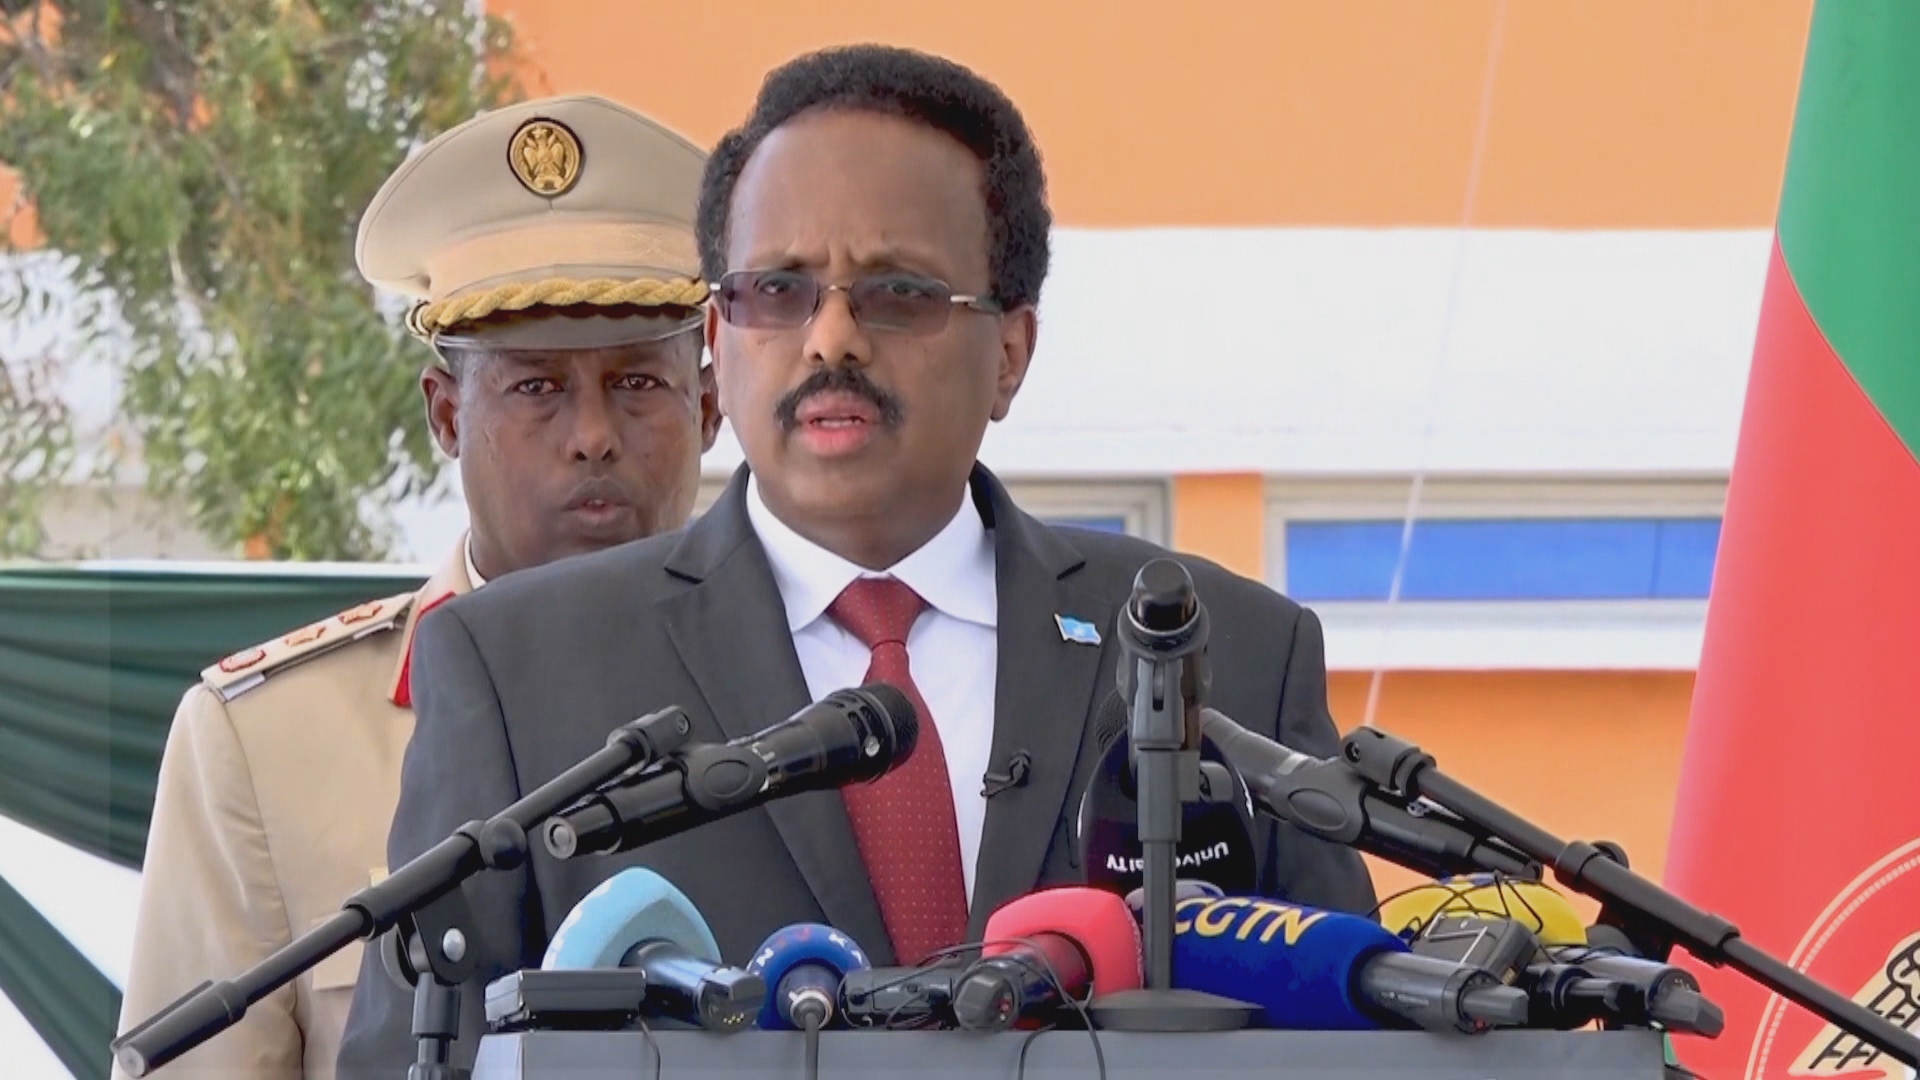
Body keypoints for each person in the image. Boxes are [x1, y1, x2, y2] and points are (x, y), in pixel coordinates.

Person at [337, 45, 1374, 1073]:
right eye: (777, 289)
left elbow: (1358, 1050)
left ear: (1011, 352)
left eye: (898, 292)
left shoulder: (1231, 654)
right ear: (719, 335)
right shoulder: (518, 671)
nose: (831, 338)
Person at [113, 94, 721, 1080]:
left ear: (710, 405)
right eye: (536, 387)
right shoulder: (265, 742)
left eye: (639, 382)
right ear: (445, 415)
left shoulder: (807, 693)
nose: (593, 434)